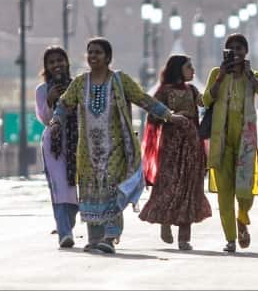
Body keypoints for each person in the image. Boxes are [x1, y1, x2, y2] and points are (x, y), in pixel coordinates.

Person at [58, 38, 188, 254]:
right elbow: (64, 104)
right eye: (90, 52)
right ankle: (95, 238)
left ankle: (110, 237)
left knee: (111, 190)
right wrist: (56, 121)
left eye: (98, 52)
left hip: (116, 148)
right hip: (88, 151)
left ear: (108, 57)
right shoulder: (80, 83)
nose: (93, 56)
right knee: (91, 190)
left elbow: (143, 99)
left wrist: (168, 115)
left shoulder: (119, 80)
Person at [203, 33, 258, 253]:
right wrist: (221, 76)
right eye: (231, 49)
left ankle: (242, 218)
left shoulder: (254, 76)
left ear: (246, 51)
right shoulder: (217, 73)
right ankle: (230, 238)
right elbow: (206, 99)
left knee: (245, 189)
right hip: (221, 140)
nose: (236, 52)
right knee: (224, 192)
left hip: (245, 141)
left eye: (239, 48)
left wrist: (250, 76)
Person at [138, 55, 212, 251]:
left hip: (192, 147)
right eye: (189, 67)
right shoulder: (164, 92)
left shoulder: (192, 90)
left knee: (189, 188)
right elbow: (153, 113)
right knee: (169, 185)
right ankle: (165, 221)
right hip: (171, 147)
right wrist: (171, 117)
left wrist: (219, 80)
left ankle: (184, 238)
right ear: (178, 69)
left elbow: (206, 102)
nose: (193, 70)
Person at [35, 46, 78, 248]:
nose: (56, 65)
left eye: (60, 60)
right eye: (51, 62)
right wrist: (50, 99)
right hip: (54, 146)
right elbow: (45, 119)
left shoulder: (78, 85)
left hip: (78, 142)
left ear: (67, 62)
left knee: (75, 188)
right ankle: (64, 232)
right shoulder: (42, 90)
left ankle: (68, 223)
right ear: (46, 67)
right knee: (59, 187)